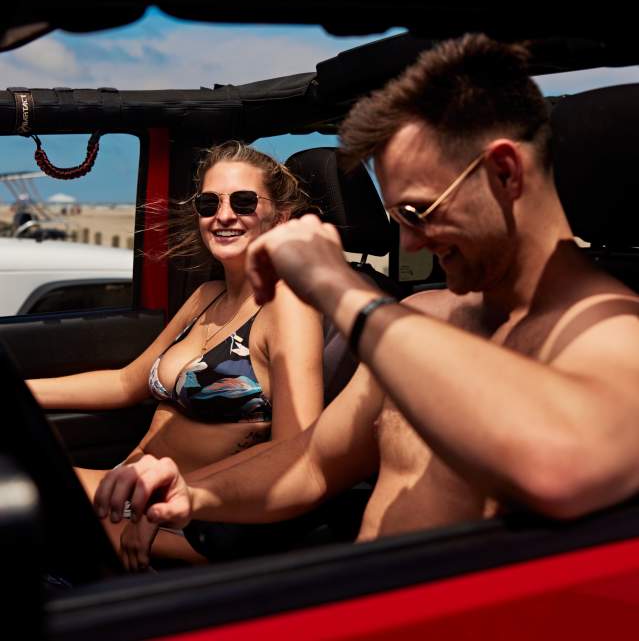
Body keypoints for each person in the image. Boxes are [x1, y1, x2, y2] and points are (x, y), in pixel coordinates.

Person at [94, 34, 639, 556]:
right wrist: (193, 495)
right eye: (396, 216)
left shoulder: (613, 333)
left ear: (504, 172)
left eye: (417, 211)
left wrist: (340, 288)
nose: (407, 242)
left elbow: (562, 467)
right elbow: (310, 465)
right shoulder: (422, 316)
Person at [29, 141, 324, 570]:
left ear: (280, 217)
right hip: (129, 492)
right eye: (209, 203)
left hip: (192, 521)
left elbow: (297, 454)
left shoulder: (287, 307)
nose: (223, 215)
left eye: (243, 202)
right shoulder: (207, 296)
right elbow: (125, 383)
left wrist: (179, 500)